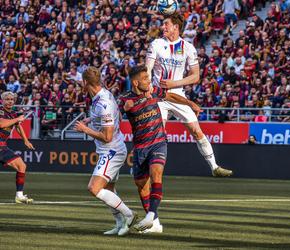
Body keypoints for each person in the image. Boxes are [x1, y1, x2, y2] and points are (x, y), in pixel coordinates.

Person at [146, 13, 232, 177]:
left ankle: (214, 167)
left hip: (178, 95)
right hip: (158, 96)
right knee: (158, 133)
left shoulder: (188, 47)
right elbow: (147, 69)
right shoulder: (156, 44)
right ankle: (149, 169)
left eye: (166, 24)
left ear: (176, 27)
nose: (163, 27)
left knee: (196, 131)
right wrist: (149, 86)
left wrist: (174, 84)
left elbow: (195, 76)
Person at [118, 65, 201, 232]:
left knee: (156, 174)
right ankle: (154, 223)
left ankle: (150, 215)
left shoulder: (153, 90)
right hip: (140, 146)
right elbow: (121, 112)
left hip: (158, 142)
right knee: (141, 184)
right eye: (146, 79)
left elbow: (170, 96)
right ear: (135, 83)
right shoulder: (125, 99)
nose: (149, 81)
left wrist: (190, 103)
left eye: (149, 78)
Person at [74, 67, 137, 236]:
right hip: (111, 149)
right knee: (108, 189)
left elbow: (107, 137)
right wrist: (91, 119)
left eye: (81, 80)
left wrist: (85, 130)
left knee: (94, 188)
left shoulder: (103, 103)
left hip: (111, 150)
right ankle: (119, 223)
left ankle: (129, 215)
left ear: (86, 83)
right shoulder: (102, 95)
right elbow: (118, 117)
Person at [0, 91, 34, 204]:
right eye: (7, 99)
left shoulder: (13, 114)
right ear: (2, 101)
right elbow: (1, 124)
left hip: (2, 146)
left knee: (21, 166)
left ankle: (19, 196)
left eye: (11, 99)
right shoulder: (1, 111)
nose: (10, 101)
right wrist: (17, 119)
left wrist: (26, 140)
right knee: (21, 165)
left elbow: (18, 127)